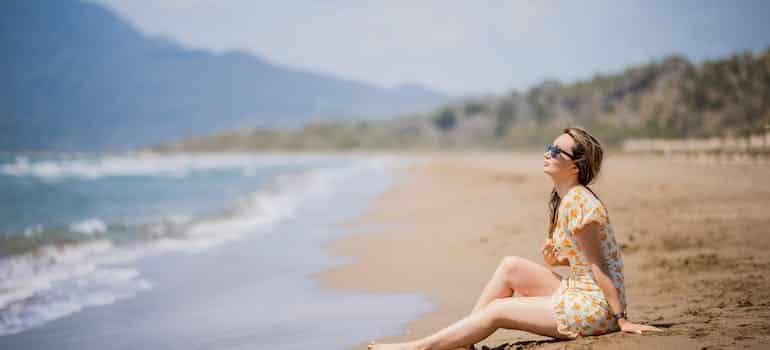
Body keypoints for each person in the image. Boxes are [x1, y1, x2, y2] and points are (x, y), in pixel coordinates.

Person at [368, 127, 662, 350]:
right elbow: (583, 257)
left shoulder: (579, 202)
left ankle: (420, 348)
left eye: (558, 151)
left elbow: (599, 267)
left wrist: (621, 319)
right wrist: (556, 259)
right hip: (581, 291)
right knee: (511, 266)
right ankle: (464, 339)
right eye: (550, 147)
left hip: (595, 309)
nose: (548, 153)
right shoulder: (566, 198)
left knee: (497, 311)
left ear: (575, 167)